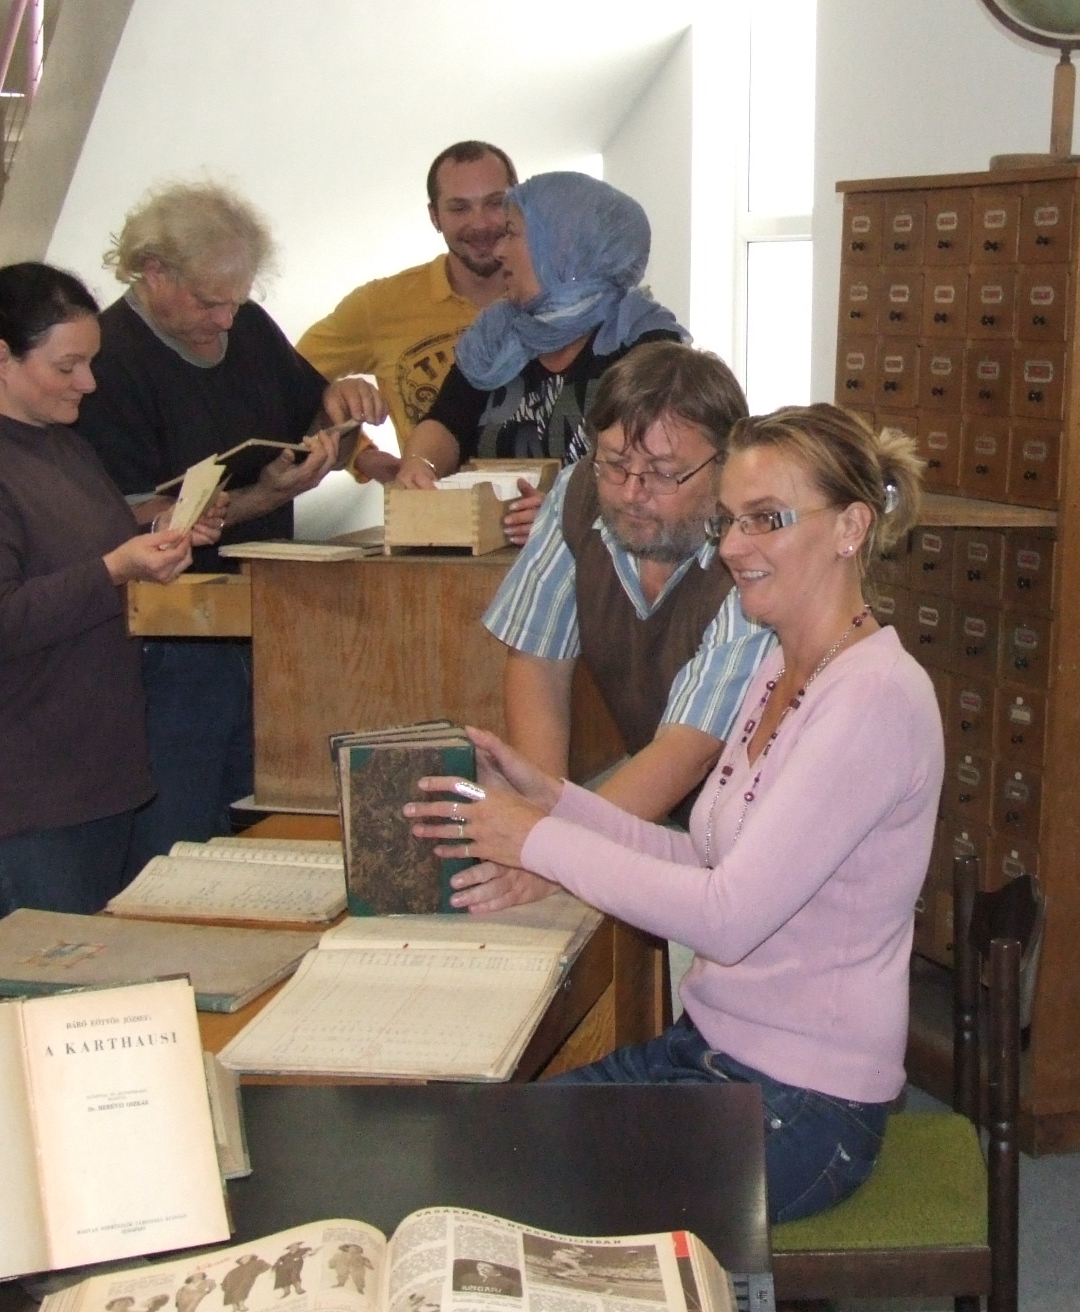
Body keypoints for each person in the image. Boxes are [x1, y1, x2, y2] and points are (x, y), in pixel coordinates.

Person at [412, 405, 940, 1228]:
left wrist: (539, 841)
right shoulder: (782, 666)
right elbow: (705, 861)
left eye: (767, 520)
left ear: (851, 528)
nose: (732, 547)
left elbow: (726, 917)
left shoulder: (872, 698)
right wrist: (555, 801)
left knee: (507, 1190)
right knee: (480, 1147)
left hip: (804, 1106)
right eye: (729, 521)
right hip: (716, 1055)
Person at [72, 180, 379, 865]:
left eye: (237, 301)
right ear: (153, 272)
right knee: (179, 837)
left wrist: (340, 409)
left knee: (262, 824)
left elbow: (313, 420)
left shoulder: (249, 330)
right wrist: (262, 497)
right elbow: (139, 525)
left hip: (265, 620)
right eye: (210, 302)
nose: (226, 320)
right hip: (173, 639)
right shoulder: (109, 360)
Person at [0, 265, 210, 920]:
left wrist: (158, 538)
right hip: (26, 790)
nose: (89, 383)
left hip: (101, 775)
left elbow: (84, 557)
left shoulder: (68, 450)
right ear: (2, 360)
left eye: (90, 363)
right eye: (67, 366)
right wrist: (115, 569)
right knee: (53, 979)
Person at [440, 343, 769, 915]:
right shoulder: (578, 497)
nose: (631, 493)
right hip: (655, 812)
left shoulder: (751, 560)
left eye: (663, 473)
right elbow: (538, 664)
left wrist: (553, 849)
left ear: (725, 466)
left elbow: (689, 750)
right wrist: (539, 817)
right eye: (614, 463)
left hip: (753, 831)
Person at [397, 171, 685, 543]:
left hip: (604, 561)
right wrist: (420, 466)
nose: (499, 251)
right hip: (492, 555)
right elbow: (448, 420)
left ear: (561, 248)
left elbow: (659, 471)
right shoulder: (497, 333)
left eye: (512, 234)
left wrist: (571, 511)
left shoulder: (644, 344)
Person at [296, 139, 516, 478]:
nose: (481, 223)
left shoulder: (560, 298)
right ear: (435, 217)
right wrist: (360, 455)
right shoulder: (380, 306)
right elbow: (288, 386)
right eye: (459, 208)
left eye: (495, 203)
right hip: (428, 508)